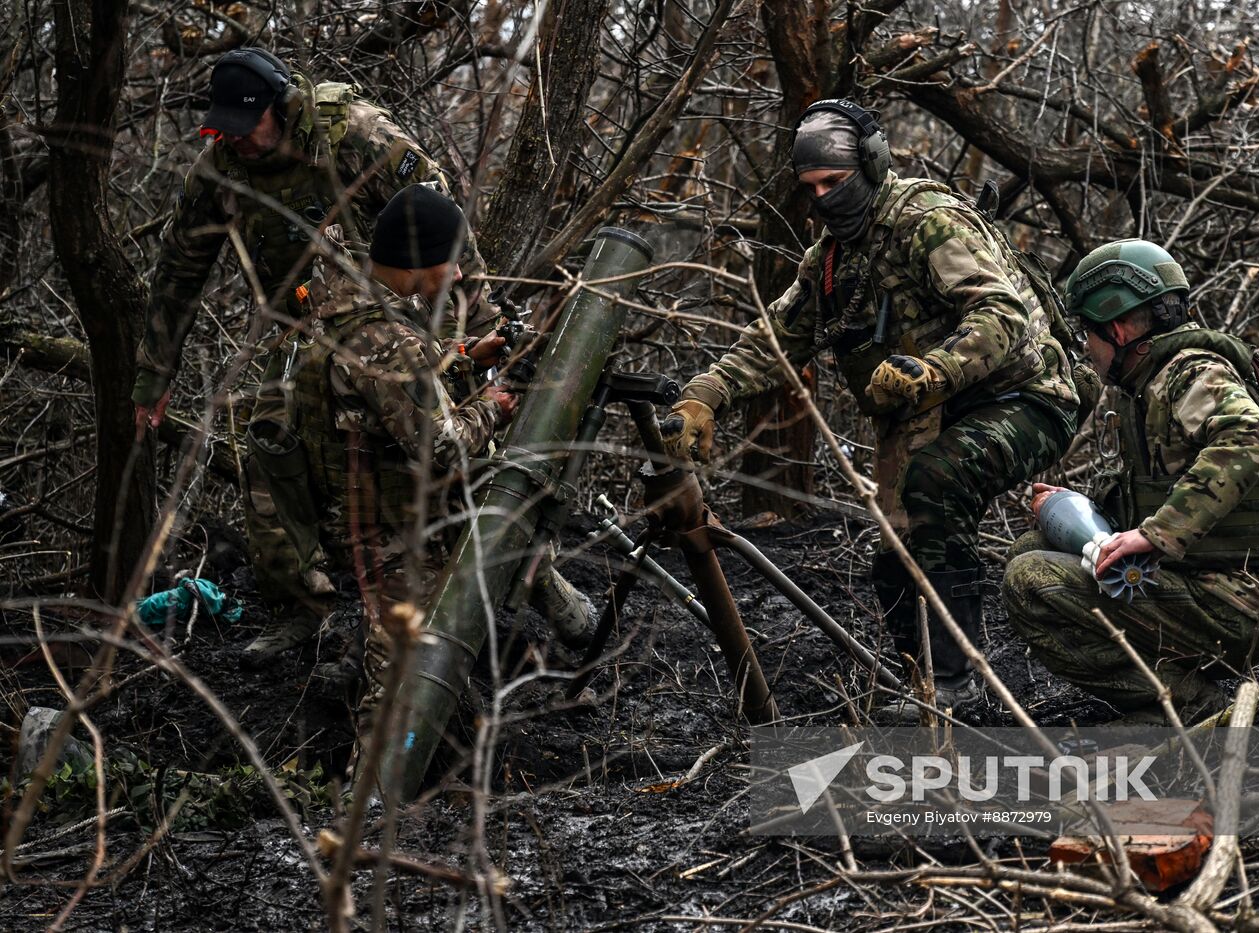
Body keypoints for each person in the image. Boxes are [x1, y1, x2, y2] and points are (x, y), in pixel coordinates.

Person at [660, 99, 1081, 709]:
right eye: (813, 187)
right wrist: (706, 396)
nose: (826, 198)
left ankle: (959, 687)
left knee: (934, 485)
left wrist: (936, 371)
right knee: (894, 555)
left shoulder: (927, 220)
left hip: (1023, 397)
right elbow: (777, 338)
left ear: (873, 164)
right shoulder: (830, 262)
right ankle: (927, 685)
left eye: (836, 181)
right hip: (927, 415)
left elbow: (1004, 314)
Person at [131, 47, 489, 661]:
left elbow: (444, 231)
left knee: (424, 440)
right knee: (269, 448)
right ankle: (302, 606)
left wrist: (475, 336)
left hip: (392, 321)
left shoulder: (353, 134)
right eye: (225, 132)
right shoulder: (220, 173)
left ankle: (454, 576)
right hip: (301, 330)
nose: (236, 143)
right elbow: (177, 275)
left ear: (279, 107)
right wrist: (154, 376)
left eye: (247, 129)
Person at [289, 185, 592, 760]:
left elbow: (394, 389)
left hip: (387, 508)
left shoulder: (354, 300)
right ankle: (375, 790)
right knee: (401, 667)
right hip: (389, 529)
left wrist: (462, 355)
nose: (455, 275)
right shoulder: (385, 340)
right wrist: (492, 406)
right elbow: (443, 445)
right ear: (422, 260)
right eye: (450, 262)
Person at [1001, 239, 1259, 724]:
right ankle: (1169, 693)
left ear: (1119, 328)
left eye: (1089, 332)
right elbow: (1161, 485)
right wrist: (1074, 508)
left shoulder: (1189, 373)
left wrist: (1154, 535)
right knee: (1029, 548)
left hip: (1237, 606)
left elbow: (1248, 438)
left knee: (1032, 579)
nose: (1086, 347)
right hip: (1208, 586)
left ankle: (1191, 706)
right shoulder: (1151, 382)